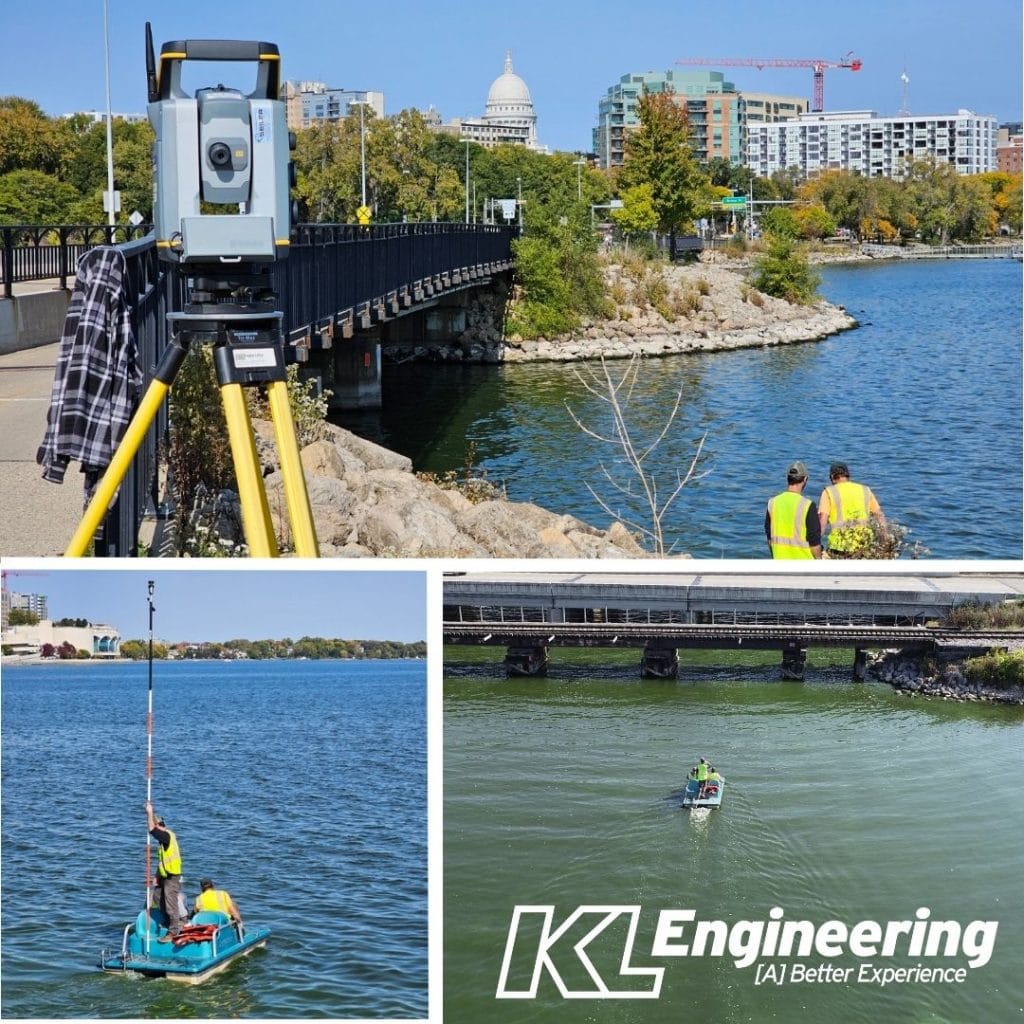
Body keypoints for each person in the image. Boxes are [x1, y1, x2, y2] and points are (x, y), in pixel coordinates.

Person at [818, 462, 884, 556]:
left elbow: (823, 521)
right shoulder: (865, 490)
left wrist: (816, 543)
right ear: (847, 475)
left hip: (839, 546)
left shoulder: (828, 492)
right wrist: (885, 537)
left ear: (832, 477)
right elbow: (879, 515)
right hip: (864, 544)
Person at [765, 461, 822, 559]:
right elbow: (815, 545)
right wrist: (820, 561)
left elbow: (770, 539)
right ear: (805, 479)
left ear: (787, 478)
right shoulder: (808, 505)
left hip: (779, 563)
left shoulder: (772, 503)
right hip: (804, 565)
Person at [146, 801, 183, 940]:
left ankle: (174, 930)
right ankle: (168, 922)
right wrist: (156, 876)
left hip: (172, 876)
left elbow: (151, 829)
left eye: (155, 825)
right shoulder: (163, 841)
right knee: (156, 897)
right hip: (164, 875)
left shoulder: (166, 836)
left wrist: (150, 812)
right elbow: (162, 861)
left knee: (170, 902)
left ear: (159, 825)